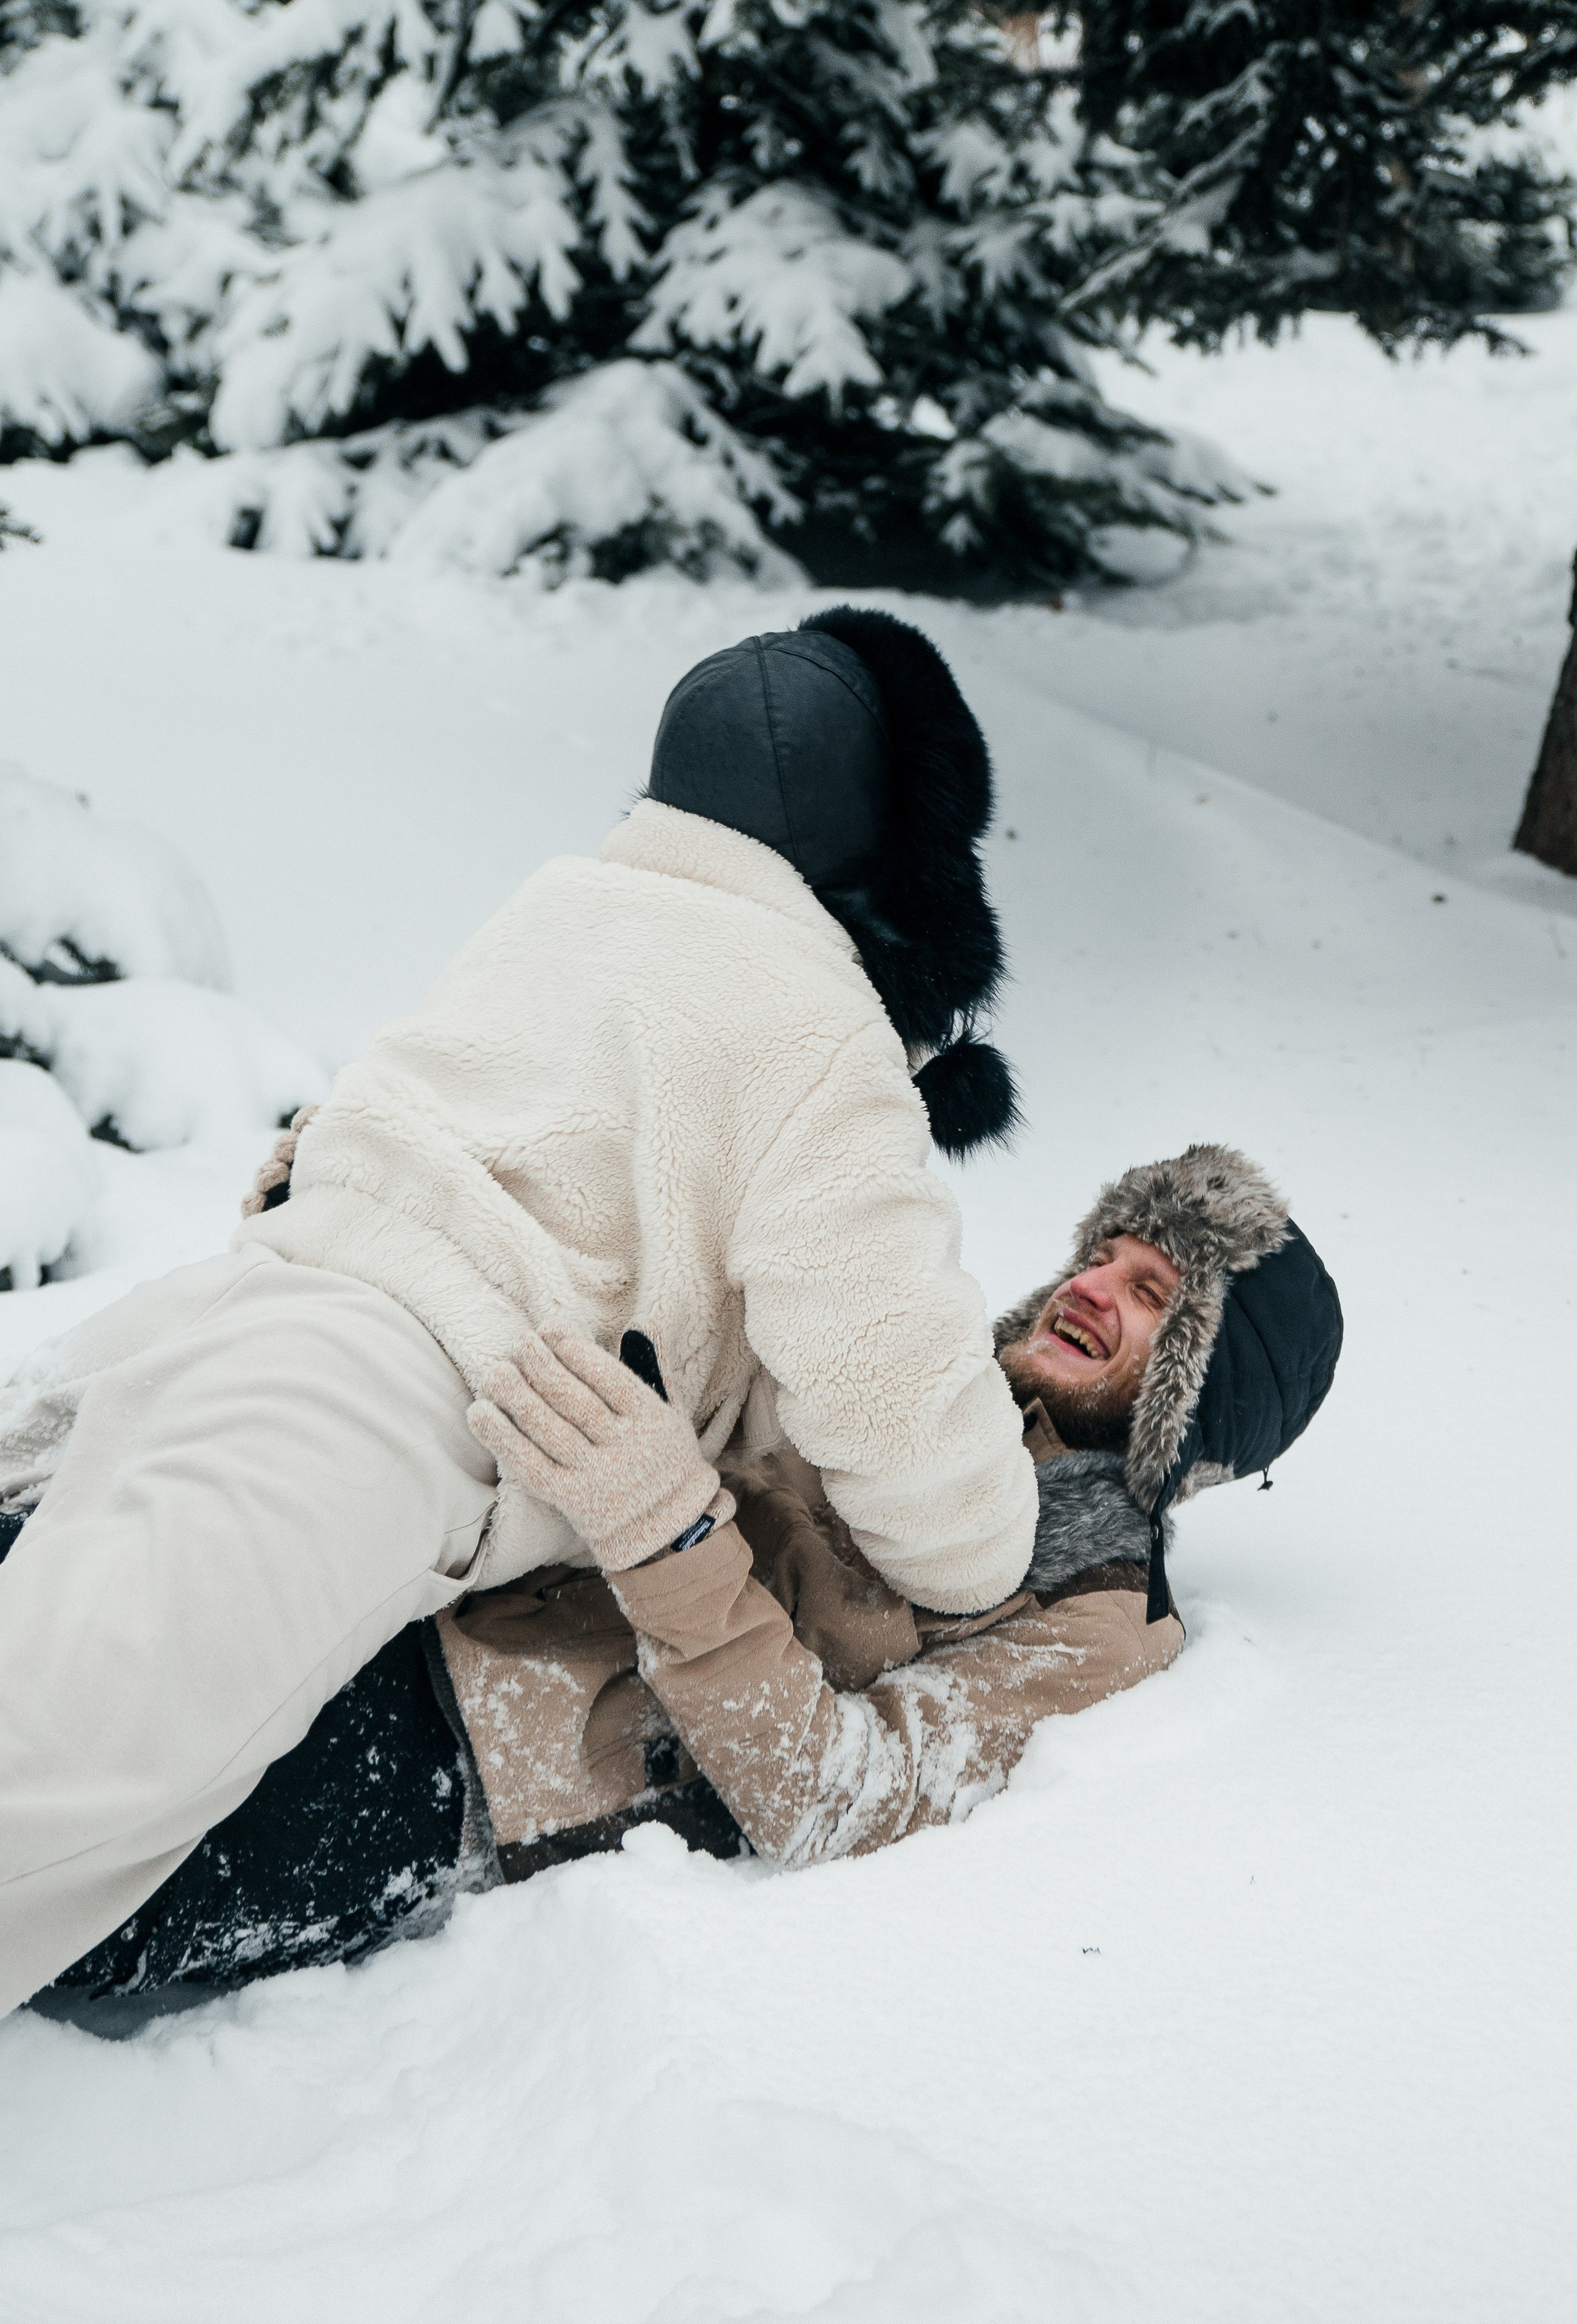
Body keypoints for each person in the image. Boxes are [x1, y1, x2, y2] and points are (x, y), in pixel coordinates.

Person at [0, 609, 1044, 2018]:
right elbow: (929, 1483)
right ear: (901, 851)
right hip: (376, 1413)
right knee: (57, 1762)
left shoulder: (558, 905)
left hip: (225, 1305)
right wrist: (995, 1513)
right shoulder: (818, 1030)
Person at [32, 1146, 1340, 2017]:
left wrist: (668, 1537)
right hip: (430, 1545)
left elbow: (845, 1797)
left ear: (1196, 1394)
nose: (1089, 1285)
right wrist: (382, 1241)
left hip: (476, 1753)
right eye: (1101, 1252)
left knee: (70, 1890)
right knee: (46, 1599)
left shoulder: (1095, 1617)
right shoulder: (915, 1372)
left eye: (1150, 1290)